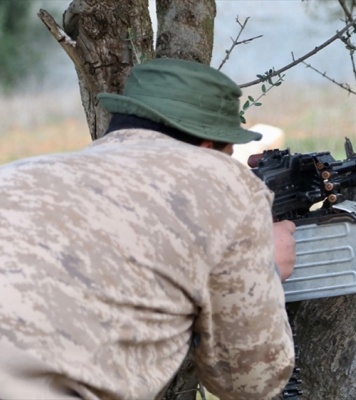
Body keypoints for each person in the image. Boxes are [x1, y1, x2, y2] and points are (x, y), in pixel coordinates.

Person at [0, 58, 296, 399]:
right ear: (207, 147)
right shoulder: (224, 183)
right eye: (227, 152)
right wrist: (268, 270)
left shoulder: (18, 175)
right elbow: (250, 382)